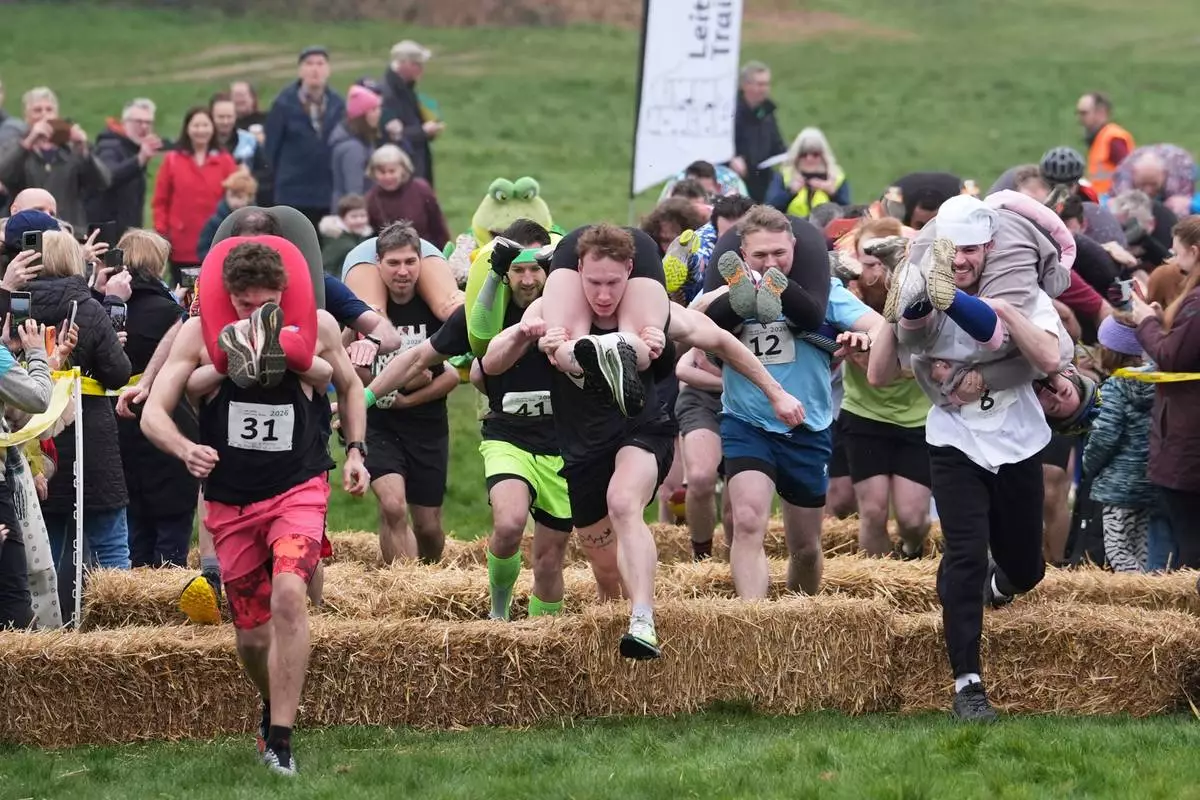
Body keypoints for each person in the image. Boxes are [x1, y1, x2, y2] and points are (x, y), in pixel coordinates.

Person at [141, 238, 369, 776]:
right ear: (228, 297)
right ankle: (272, 701)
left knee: (289, 594)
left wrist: (357, 451)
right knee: (250, 635)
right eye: (245, 305)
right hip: (232, 499)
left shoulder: (317, 326)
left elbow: (350, 385)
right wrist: (186, 448)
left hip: (298, 487)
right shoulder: (198, 333)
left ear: (284, 295)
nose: (255, 315)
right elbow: (153, 412)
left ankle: (282, 742)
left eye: (267, 304)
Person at [529, 223, 805, 659]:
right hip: (581, 442)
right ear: (578, 270)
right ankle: (621, 641)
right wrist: (534, 334)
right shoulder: (553, 309)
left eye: (614, 283)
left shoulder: (660, 313)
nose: (604, 294)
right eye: (594, 283)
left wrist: (777, 393)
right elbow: (498, 345)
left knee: (624, 502)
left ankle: (643, 619)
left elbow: (724, 342)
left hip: (641, 427)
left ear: (631, 271)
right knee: (606, 572)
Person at [872, 206, 1071, 721]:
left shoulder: (1021, 293)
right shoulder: (924, 297)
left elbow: (1051, 358)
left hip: (1018, 441)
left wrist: (1003, 317)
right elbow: (879, 374)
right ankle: (968, 684)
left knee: (1026, 569)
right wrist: (895, 309)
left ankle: (997, 587)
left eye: (970, 251)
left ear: (989, 250)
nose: (959, 260)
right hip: (954, 442)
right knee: (963, 556)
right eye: (951, 250)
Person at [23, 224, 133, 623]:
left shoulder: (15, 306)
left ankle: (45, 628)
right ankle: (120, 626)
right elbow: (119, 373)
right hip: (90, 433)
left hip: (34, 436)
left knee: (45, 542)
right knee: (109, 539)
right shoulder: (87, 308)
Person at [359, 223, 458, 563]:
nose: (402, 271)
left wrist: (405, 399)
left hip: (428, 425)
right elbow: (350, 369)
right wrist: (398, 386)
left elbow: (451, 377)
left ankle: (428, 583)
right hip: (379, 425)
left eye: (409, 262)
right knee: (392, 506)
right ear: (378, 264)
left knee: (428, 527)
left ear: (421, 262)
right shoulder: (364, 313)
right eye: (393, 263)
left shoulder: (438, 309)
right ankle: (402, 584)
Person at [113, 229, 198, 568]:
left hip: (118, 425)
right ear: (158, 264)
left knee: (134, 532)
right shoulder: (171, 314)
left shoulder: (105, 307)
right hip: (169, 422)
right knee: (172, 530)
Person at [1127, 215, 1200, 566]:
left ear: (1194, 251)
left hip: (1189, 436)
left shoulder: (1197, 302)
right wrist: (1161, 322)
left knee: (1190, 542)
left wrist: (1146, 322)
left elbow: (1173, 357)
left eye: (1176, 253)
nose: (1172, 260)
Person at [1081, 316, 1155, 572]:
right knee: (1142, 549)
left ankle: (1139, 594)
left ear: (1110, 350)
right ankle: (1147, 589)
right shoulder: (1158, 383)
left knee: (1118, 550)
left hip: (1117, 485)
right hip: (1149, 481)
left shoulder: (1114, 387)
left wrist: (1088, 464)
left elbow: (1104, 435)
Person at [152, 106, 238, 284]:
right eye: (196, 126)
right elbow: (160, 201)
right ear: (187, 129)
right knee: (185, 293)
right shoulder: (172, 160)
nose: (201, 130)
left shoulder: (225, 161)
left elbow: (236, 199)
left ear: (212, 128)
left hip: (216, 241)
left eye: (205, 125)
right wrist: (162, 233)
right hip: (181, 244)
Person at [265, 47, 347, 230]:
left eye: (320, 64)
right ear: (300, 70)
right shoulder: (283, 104)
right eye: (309, 64)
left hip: (328, 193)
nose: (315, 69)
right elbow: (271, 150)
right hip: (292, 194)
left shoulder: (338, 104)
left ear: (328, 70)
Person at [86, 98, 164, 244]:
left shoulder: (133, 148)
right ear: (125, 123)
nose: (144, 127)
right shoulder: (109, 146)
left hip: (127, 235)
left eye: (148, 123)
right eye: (138, 122)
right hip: (107, 237)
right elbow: (108, 177)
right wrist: (139, 160)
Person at [362, 145, 450, 249]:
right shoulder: (371, 199)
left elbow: (439, 226)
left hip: (426, 251)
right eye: (382, 172)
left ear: (403, 169)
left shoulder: (421, 189)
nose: (387, 177)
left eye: (392, 171)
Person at [380, 40, 442, 186]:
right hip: (401, 172)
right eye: (417, 64)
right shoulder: (387, 95)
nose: (421, 69)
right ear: (403, 64)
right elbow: (391, 136)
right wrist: (423, 131)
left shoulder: (406, 89)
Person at [764, 127, 851, 218]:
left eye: (815, 154)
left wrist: (833, 194)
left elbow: (848, 215)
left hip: (827, 226)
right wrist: (790, 193)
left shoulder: (836, 178)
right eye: (803, 154)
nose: (809, 159)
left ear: (823, 156)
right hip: (792, 226)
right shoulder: (785, 177)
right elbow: (769, 211)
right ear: (796, 156)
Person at [731, 61, 785, 202]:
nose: (764, 89)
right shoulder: (730, 112)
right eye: (760, 84)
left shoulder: (767, 112)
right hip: (737, 178)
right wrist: (731, 158)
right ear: (745, 85)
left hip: (764, 177)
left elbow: (777, 144)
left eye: (767, 84)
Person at [330, 85, 383, 212]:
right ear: (362, 116)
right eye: (373, 109)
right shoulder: (353, 149)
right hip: (352, 216)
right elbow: (354, 193)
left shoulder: (361, 141)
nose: (379, 113)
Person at [1076, 92, 1134, 197]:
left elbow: (1129, 172)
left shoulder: (1113, 139)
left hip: (1112, 200)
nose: (1080, 119)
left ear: (1101, 113)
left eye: (1084, 113)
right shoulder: (1100, 138)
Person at [197, 169, 258, 263]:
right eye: (231, 196)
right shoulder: (215, 222)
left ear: (249, 197)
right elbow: (203, 250)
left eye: (240, 197)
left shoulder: (258, 221)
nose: (235, 202)